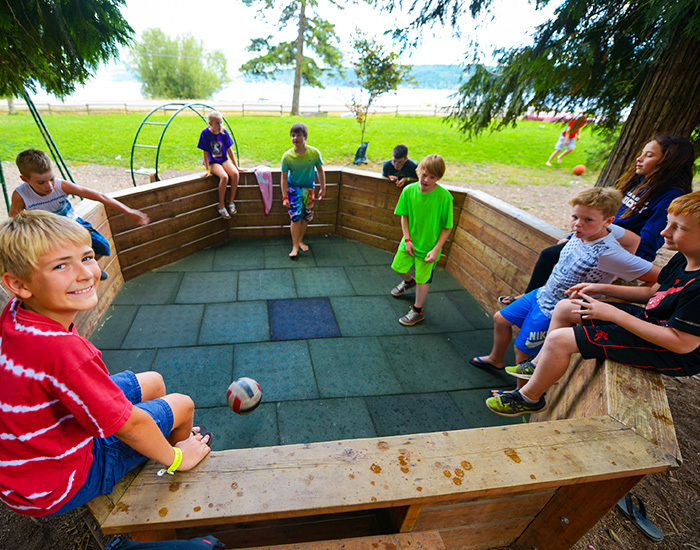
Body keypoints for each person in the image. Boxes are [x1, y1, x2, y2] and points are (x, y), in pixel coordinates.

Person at [0, 211, 212, 517]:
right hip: (58, 484)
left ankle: (152, 450)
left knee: (152, 380)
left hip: (29, 467)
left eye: (87, 257)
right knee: (182, 405)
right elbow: (130, 425)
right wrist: (177, 456)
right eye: (61, 265)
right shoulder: (62, 352)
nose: (87, 273)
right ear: (18, 284)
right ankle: (177, 463)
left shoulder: (18, 314)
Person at [486, 190, 700, 416]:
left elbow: (682, 344)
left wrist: (613, 314)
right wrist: (602, 289)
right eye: (668, 223)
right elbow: (654, 293)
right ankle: (538, 364)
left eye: (679, 228)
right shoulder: (682, 258)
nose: (664, 232)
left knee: (560, 339)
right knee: (566, 306)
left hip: (671, 352)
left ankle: (529, 398)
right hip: (653, 322)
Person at [471, 187, 659, 373]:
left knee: (522, 351)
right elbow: (633, 239)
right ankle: (496, 359)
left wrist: (618, 290)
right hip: (543, 293)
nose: (577, 224)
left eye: (588, 220)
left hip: (555, 309)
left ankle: (519, 392)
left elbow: (660, 277)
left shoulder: (609, 253)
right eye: (575, 217)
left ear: (607, 221)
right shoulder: (588, 233)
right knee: (501, 319)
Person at [499, 135, 694, 305]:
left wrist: (629, 266)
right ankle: (532, 298)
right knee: (555, 258)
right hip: (597, 238)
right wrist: (573, 237)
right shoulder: (640, 182)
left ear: (669, 162)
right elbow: (606, 216)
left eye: (649, 155)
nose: (639, 158)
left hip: (615, 249)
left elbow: (651, 236)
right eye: (642, 153)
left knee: (550, 256)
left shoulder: (670, 195)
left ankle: (527, 298)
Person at [10, 149, 150, 280]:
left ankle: (83, 268)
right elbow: (13, 222)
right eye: (41, 182)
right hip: (48, 232)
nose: (49, 186)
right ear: (25, 179)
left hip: (72, 224)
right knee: (53, 258)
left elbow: (100, 196)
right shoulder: (21, 195)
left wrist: (129, 211)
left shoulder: (61, 186)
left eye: (51, 179)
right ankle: (71, 274)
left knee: (103, 247)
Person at [389, 154, 453, 326]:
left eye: (432, 177)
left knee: (423, 280)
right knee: (398, 266)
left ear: (438, 178)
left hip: (428, 247)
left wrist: (436, 249)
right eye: (424, 174)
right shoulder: (408, 191)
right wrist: (407, 239)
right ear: (418, 171)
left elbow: (447, 227)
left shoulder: (444, 197)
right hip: (410, 242)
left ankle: (418, 311)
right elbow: (405, 216)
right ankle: (409, 281)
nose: (426, 180)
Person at [281, 122, 325, 259]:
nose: (295, 138)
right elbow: (283, 178)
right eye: (293, 136)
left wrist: (323, 188)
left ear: (305, 137)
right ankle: (294, 246)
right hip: (293, 189)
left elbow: (320, 171)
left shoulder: (314, 153)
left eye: (298, 135)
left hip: (308, 188)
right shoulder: (287, 157)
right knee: (295, 217)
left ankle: (300, 241)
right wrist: (284, 197)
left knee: (306, 217)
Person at [197, 110, 241, 219]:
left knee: (235, 174)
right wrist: (207, 170)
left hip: (223, 160)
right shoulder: (205, 133)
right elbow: (205, 152)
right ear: (210, 123)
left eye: (221, 122)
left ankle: (231, 202)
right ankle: (221, 205)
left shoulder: (224, 132)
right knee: (224, 177)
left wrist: (236, 166)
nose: (220, 125)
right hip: (213, 162)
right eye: (217, 123)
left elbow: (230, 150)